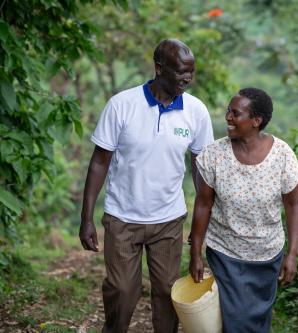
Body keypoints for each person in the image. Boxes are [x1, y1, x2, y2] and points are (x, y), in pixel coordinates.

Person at [79, 39, 214, 333]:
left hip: (168, 219)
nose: (187, 79)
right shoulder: (122, 105)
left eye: (191, 72)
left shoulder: (196, 111)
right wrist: (86, 217)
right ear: (159, 67)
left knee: (168, 293)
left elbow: (200, 168)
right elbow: (100, 162)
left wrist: (203, 221)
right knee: (122, 290)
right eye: (181, 71)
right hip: (122, 218)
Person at [189, 87, 298, 332]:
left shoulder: (282, 155)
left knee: (258, 320)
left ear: (256, 121)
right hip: (225, 252)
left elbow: (293, 205)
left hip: (267, 253)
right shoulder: (214, 155)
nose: (228, 117)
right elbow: (203, 204)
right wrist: (195, 252)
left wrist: (292, 253)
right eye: (228, 111)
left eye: (235, 113)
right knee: (236, 320)